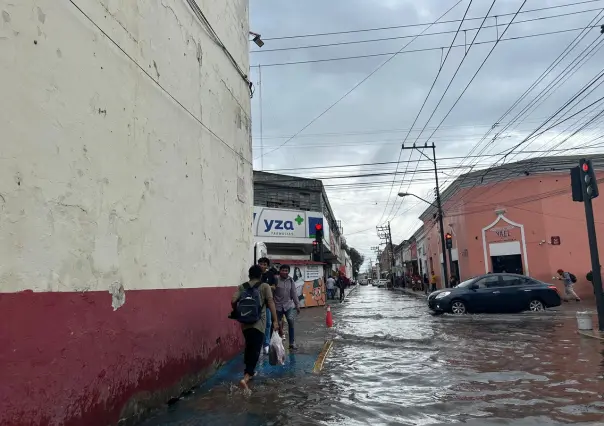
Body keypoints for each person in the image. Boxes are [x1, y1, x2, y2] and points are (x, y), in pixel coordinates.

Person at [231, 265, 278, 391]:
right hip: (259, 323)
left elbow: (233, 300)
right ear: (260, 275)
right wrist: (275, 320)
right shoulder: (264, 286)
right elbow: (270, 302)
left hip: (245, 323)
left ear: (249, 275)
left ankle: (249, 373)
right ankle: (246, 377)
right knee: (256, 349)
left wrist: (237, 310)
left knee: (249, 346)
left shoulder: (243, 286)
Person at [274, 264, 301, 350]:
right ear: (280, 271)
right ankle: (276, 343)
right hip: (277, 305)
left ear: (288, 272)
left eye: (286, 271)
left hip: (288, 305)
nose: (285, 272)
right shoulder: (276, 279)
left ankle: (292, 343)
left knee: (290, 321)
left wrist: (297, 305)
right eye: (283, 270)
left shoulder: (291, 280)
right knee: (276, 324)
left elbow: (293, 293)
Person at [258, 257, 277, 354]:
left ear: (267, 266)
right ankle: (258, 344)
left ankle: (266, 344)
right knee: (258, 324)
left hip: (268, 302)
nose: (262, 266)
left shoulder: (270, 274)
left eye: (264, 264)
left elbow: (274, 286)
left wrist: (266, 287)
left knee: (268, 323)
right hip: (258, 303)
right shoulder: (256, 273)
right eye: (261, 264)